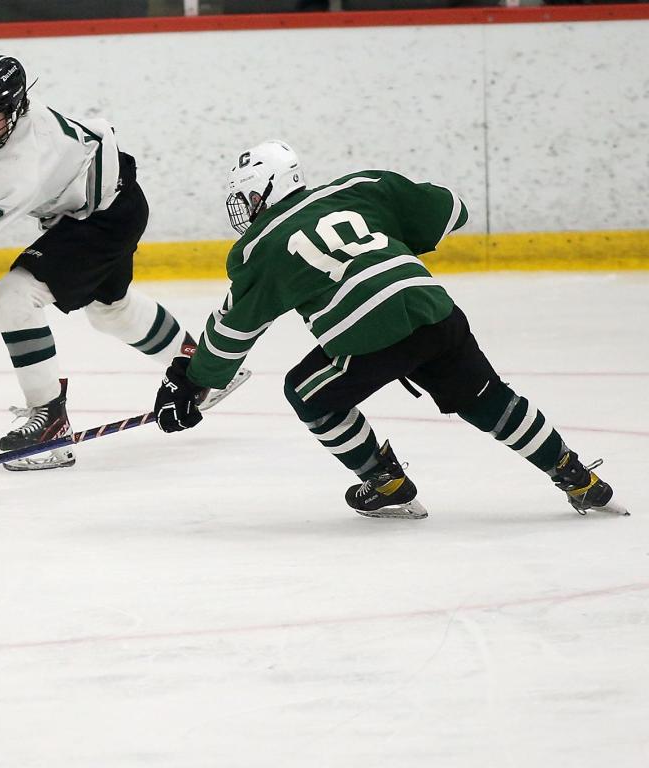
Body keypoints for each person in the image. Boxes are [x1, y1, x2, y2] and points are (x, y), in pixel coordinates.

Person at [153, 140, 628, 519]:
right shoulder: (362, 186)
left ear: (268, 192)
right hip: (433, 310)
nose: (244, 211)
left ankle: (387, 482)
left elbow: (232, 333)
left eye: (247, 199)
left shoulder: (261, 248)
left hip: (368, 338)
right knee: (490, 399)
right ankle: (578, 477)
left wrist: (193, 380)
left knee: (307, 392)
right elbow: (450, 210)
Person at [0, 52, 247, 470]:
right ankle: (205, 369)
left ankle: (51, 426)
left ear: (18, 111)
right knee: (112, 312)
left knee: (13, 299)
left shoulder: (22, 164)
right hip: (105, 199)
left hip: (104, 217)